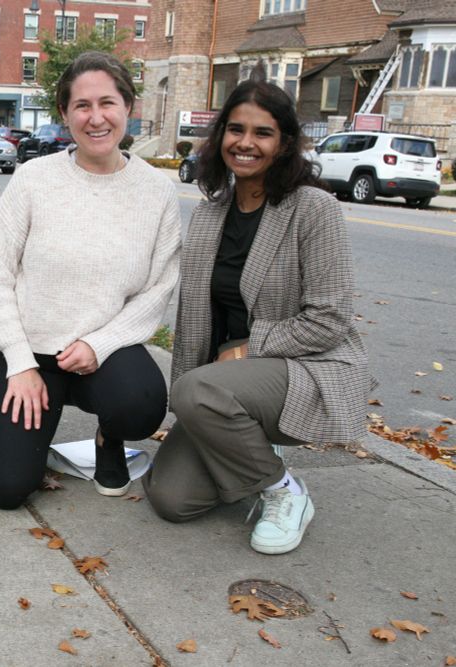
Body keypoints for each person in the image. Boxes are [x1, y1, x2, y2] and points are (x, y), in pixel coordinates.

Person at [143, 73, 372, 555]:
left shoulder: (313, 209)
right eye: (235, 129)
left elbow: (330, 319)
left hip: (305, 366)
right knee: (171, 498)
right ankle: (248, 443)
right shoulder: (211, 212)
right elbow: (194, 319)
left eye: (262, 133)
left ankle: (284, 492)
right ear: (220, 135)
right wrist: (193, 397)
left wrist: (245, 351)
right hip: (225, 381)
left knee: (200, 390)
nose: (245, 143)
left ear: (285, 143)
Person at [0, 51, 181, 510]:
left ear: (128, 106)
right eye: (81, 106)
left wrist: (101, 344)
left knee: (142, 403)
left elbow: (158, 290)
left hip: (102, 358)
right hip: (33, 360)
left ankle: (110, 439)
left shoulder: (157, 192)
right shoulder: (33, 179)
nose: (96, 117)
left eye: (107, 102)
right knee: (5, 488)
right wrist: (19, 362)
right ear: (65, 115)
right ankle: (31, 434)